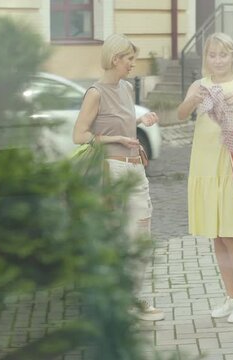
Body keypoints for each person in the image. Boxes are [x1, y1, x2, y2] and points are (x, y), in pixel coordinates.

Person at [72, 33, 164, 322]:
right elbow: (80, 135)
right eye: (130, 59)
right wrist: (118, 138)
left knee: (139, 236)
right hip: (112, 172)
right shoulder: (95, 93)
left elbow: (120, 121)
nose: (133, 64)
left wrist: (139, 121)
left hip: (137, 169)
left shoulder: (125, 88)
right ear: (115, 59)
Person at [177, 33, 233, 323]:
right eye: (212, 55)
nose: (217, 60)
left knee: (231, 233)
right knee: (216, 235)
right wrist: (191, 99)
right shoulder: (199, 84)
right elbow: (180, 115)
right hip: (204, 165)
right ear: (207, 58)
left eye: (223, 55)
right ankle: (230, 296)